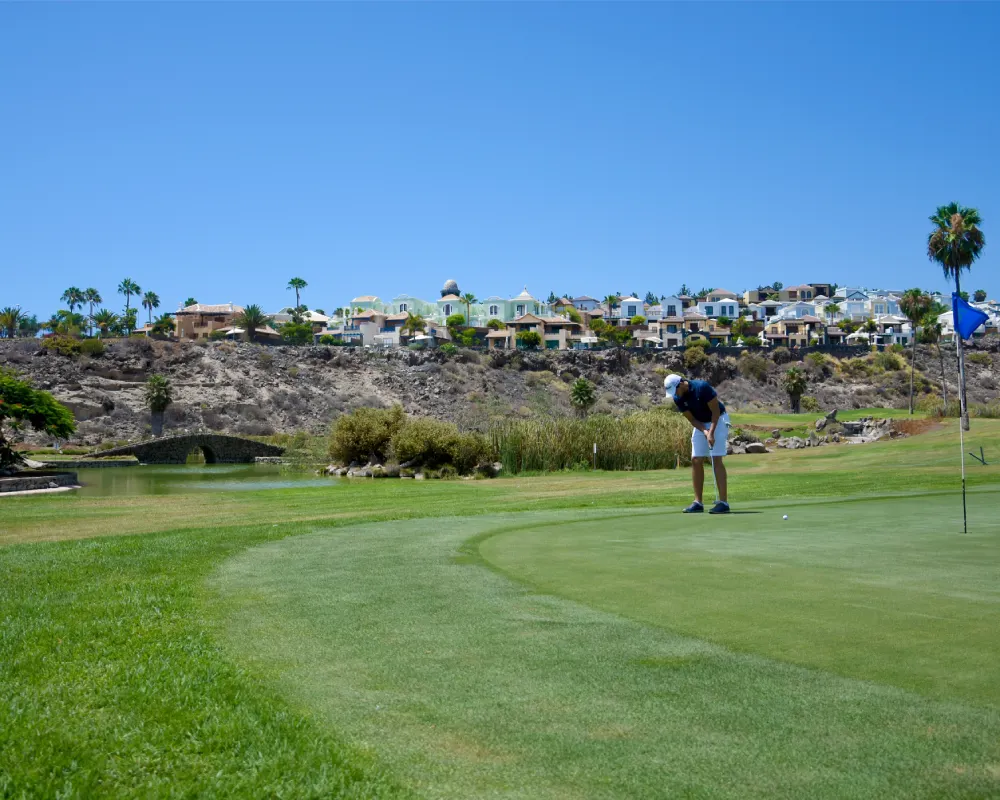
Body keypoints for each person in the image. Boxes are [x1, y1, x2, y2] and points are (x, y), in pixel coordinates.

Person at [663, 374, 730, 514]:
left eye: (675, 390)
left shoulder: (701, 388)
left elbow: (715, 411)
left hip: (718, 419)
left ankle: (723, 502)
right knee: (696, 459)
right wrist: (705, 432)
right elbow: (692, 420)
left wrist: (711, 432)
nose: (675, 394)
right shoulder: (678, 398)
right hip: (700, 424)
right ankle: (698, 502)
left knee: (716, 458)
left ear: (681, 384)